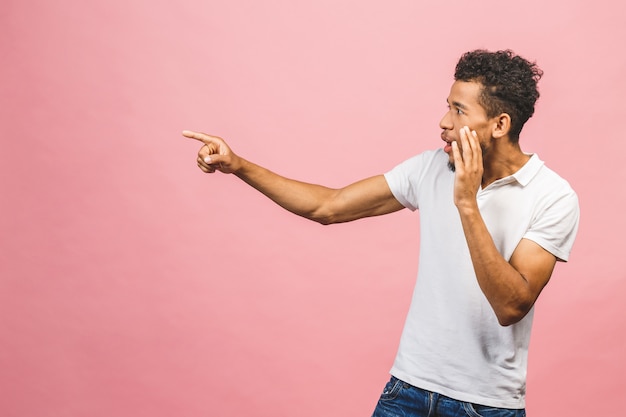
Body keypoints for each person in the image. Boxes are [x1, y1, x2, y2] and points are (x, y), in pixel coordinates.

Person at [183, 49, 579, 417]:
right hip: (407, 390)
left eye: (459, 111)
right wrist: (238, 165)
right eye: (447, 107)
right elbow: (328, 206)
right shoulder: (429, 169)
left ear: (499, 124)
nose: (443, 122)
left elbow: (511, 306)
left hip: (487, 404)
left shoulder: (552, 196)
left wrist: (467, 204)